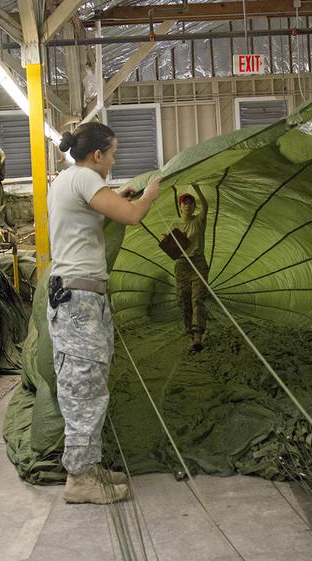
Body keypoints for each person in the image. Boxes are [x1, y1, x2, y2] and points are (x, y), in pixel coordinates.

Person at [48, 122, 160, 503]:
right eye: (112, 154)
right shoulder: (82, 179)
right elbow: (130, 215)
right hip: (78, 300)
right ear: (97, 155)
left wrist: (121, 195)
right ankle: (80, 479)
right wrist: (150, 195)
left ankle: (89, 466)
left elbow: (103, 209)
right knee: (84, 389)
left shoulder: (70, 180)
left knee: (90, 383)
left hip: (80, 297)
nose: (113, 161)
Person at [172, 187, 210, 350]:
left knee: (198, 299)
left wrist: (198, 190)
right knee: (183, 301)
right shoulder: (175, 223)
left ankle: (198, 335)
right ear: (180, 207)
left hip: (198, 263)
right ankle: (189, 334)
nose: (187, 206)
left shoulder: (199, 221)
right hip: (181, 265)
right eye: (184, 203)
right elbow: (172, 248)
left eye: (190, 203)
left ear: (194, 207)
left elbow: (206, 207)